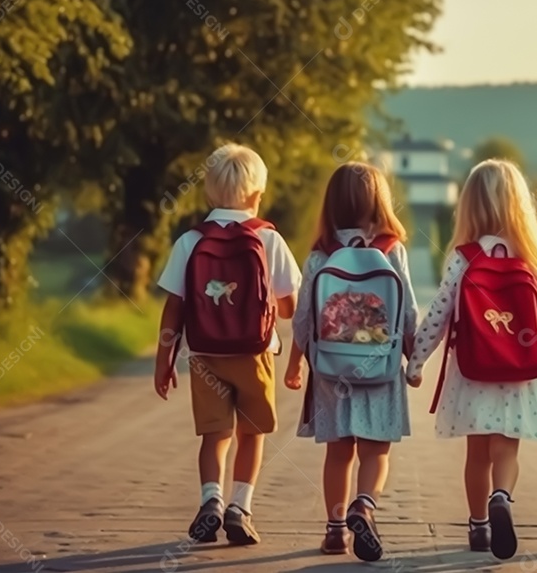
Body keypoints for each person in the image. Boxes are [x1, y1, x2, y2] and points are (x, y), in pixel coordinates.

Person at [406, 159, 537, 560]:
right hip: (519, 374)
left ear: (470, 206)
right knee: (506, 451)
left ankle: (478, 525)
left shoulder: (463, 259)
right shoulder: (531, 261)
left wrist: (416, 363)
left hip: (473, 370)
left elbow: (439, 315)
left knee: (476, 455)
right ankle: (503, 496)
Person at [153, 143, 301, 545]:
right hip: (255, 354)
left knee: (214, 435)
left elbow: (173, 309)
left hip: (204, 356)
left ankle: (210, 501)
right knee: (251, 435)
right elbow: (288, 308)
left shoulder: (191, 240)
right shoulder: (268, 239)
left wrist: (163, 360)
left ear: (208, 194)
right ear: (257, 195)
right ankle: (240, 507)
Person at [284, 162, 419, 562]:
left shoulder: (320, 256)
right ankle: (366, 505)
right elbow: (408, 312)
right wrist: (413, 360)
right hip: (381, 367)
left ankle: (336, 529)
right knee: (376, 452)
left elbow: (304, 318)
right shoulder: (393, 251)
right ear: (379, 203)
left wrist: (296, 362)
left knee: (338, 453)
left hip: (331, 370)